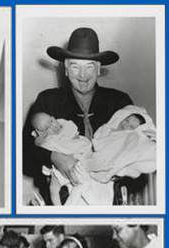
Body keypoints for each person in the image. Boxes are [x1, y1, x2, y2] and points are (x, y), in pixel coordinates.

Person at [23, 27, 133, 204]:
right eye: (75, 67)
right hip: (61, 196)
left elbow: (137, 147)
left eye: (89, 67)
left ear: (98, 69)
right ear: (66, 69)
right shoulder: (47, 100)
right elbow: (25, 153)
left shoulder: (119, 101)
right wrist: (54, 157)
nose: (82, 75)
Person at [32, 107, 156, 205]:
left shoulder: (118, 102)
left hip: (90, 159)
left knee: (85, 186)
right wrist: (51, 154)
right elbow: (30, 145)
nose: (126, 125)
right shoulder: (48, 100)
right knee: (54, 187)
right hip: (67, 160)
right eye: (126, 120)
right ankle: (58, 211)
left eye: (131, 126)